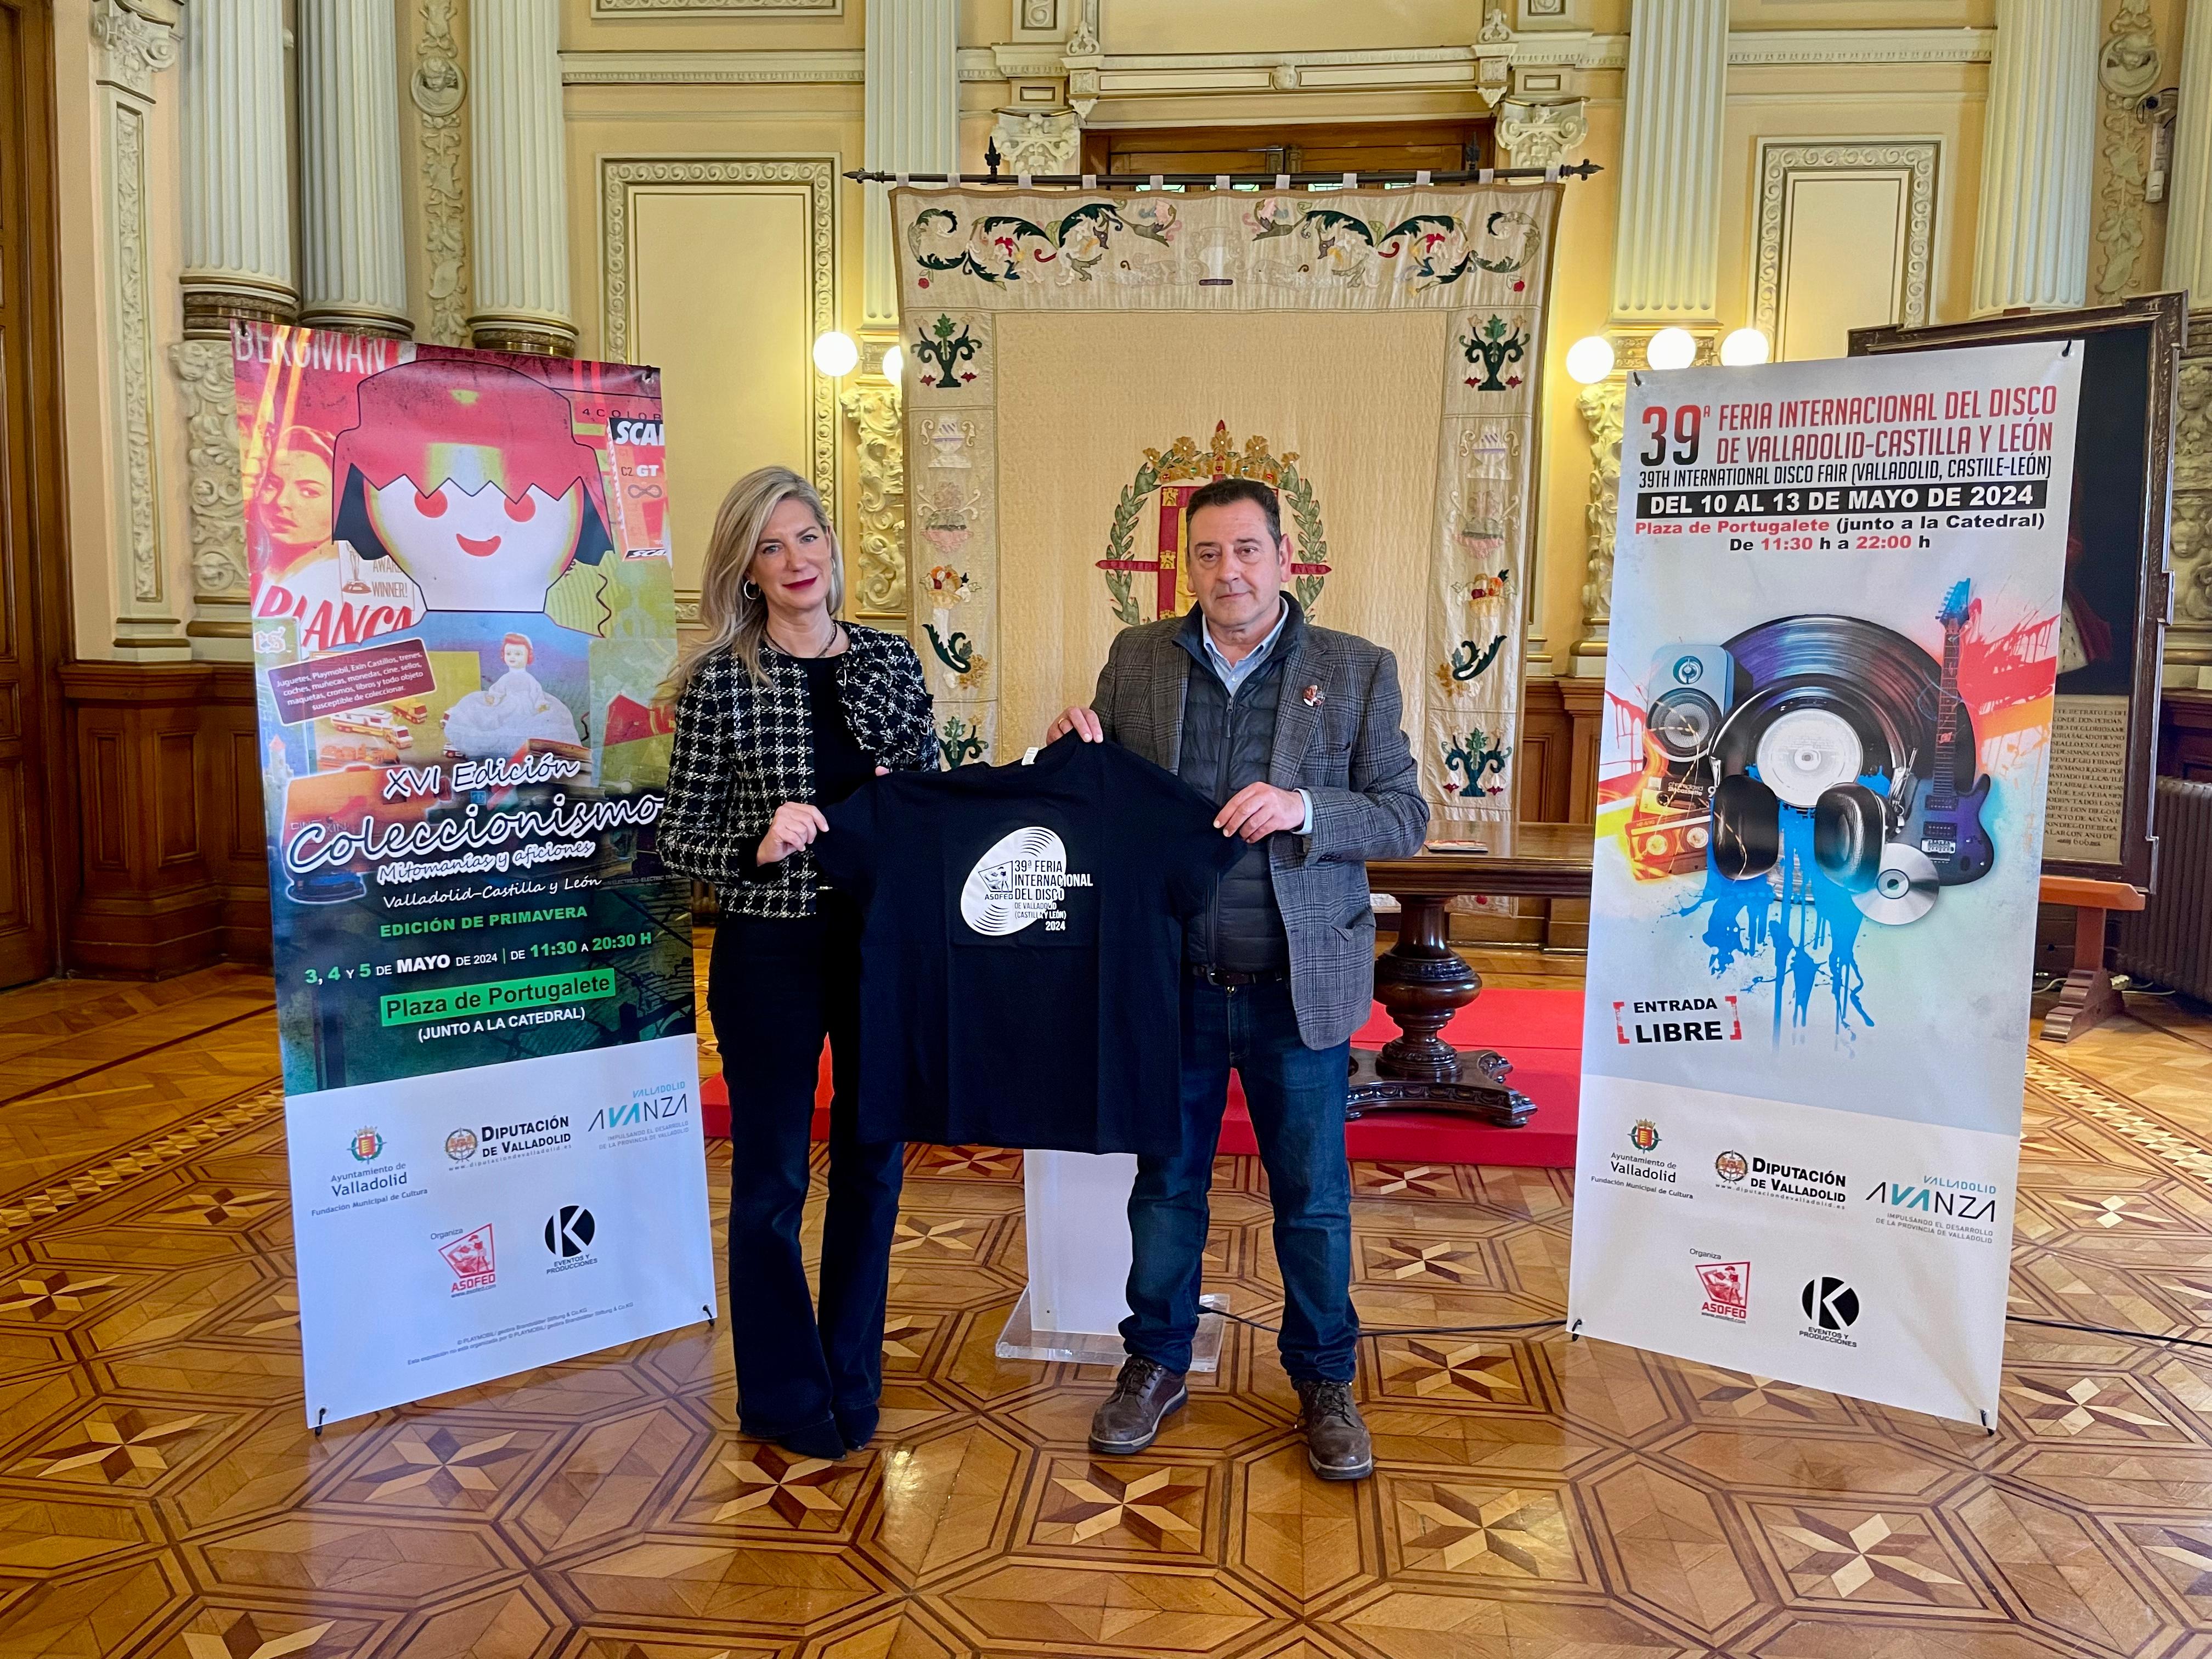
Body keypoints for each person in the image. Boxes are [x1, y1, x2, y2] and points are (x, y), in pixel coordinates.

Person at [1047, 475, 1427, 1481]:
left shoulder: (1355, 669)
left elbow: (1404, 815)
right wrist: (1072, 755)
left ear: (1284, 557)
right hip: (1170, 982)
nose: (1230, 572)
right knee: (1166, 1188)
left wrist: (1305, 809)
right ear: (1188, 566)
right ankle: (1155, 1363)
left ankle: (1326, 1379)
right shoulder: (1138, 659)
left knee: (1313, 1199)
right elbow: (1106, 802)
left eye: (1248, 550)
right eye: (1209, 554)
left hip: (1295, 990)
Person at [660, 465, 937, 1462]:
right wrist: (758, 844)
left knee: (871, 1166)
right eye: (770, 547)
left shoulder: (892, 661)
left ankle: (852, 1383)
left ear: (832, 547)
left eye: (808, 537)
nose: (796, 560)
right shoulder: (719, 684)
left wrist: (919, 797)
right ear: (746, 570)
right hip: (769, 949)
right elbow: (678, 837)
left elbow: (933, 800)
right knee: (773, 1180)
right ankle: (783, 1396)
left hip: (880, 948)